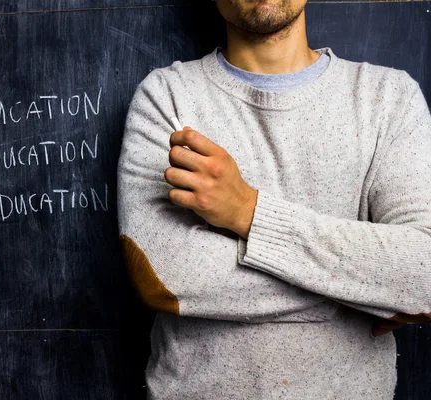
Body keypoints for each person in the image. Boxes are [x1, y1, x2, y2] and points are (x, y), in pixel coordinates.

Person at [116, 0, 431, 398]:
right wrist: (370, 291)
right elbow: (164, 277)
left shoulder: (389, 97)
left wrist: (247, 211)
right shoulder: (168, 97)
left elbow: (425, 273)